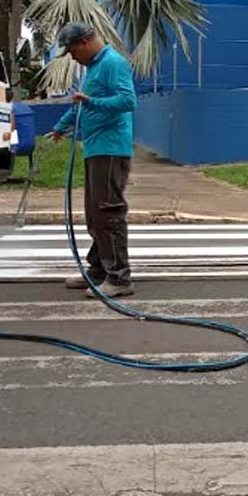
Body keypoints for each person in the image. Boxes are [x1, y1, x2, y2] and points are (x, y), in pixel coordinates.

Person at [48, 22, 138, 298]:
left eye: (72, 49)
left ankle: (119, 278)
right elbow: (82, 104)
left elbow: (127, 101)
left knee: (108, 213)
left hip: (111, 148)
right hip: (97, 148)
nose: (71, 56)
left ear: (85, 41)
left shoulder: (113, 63)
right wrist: (61, 127)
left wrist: (91, 103)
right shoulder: (93, 69)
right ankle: (99, 269)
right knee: (95, 215)